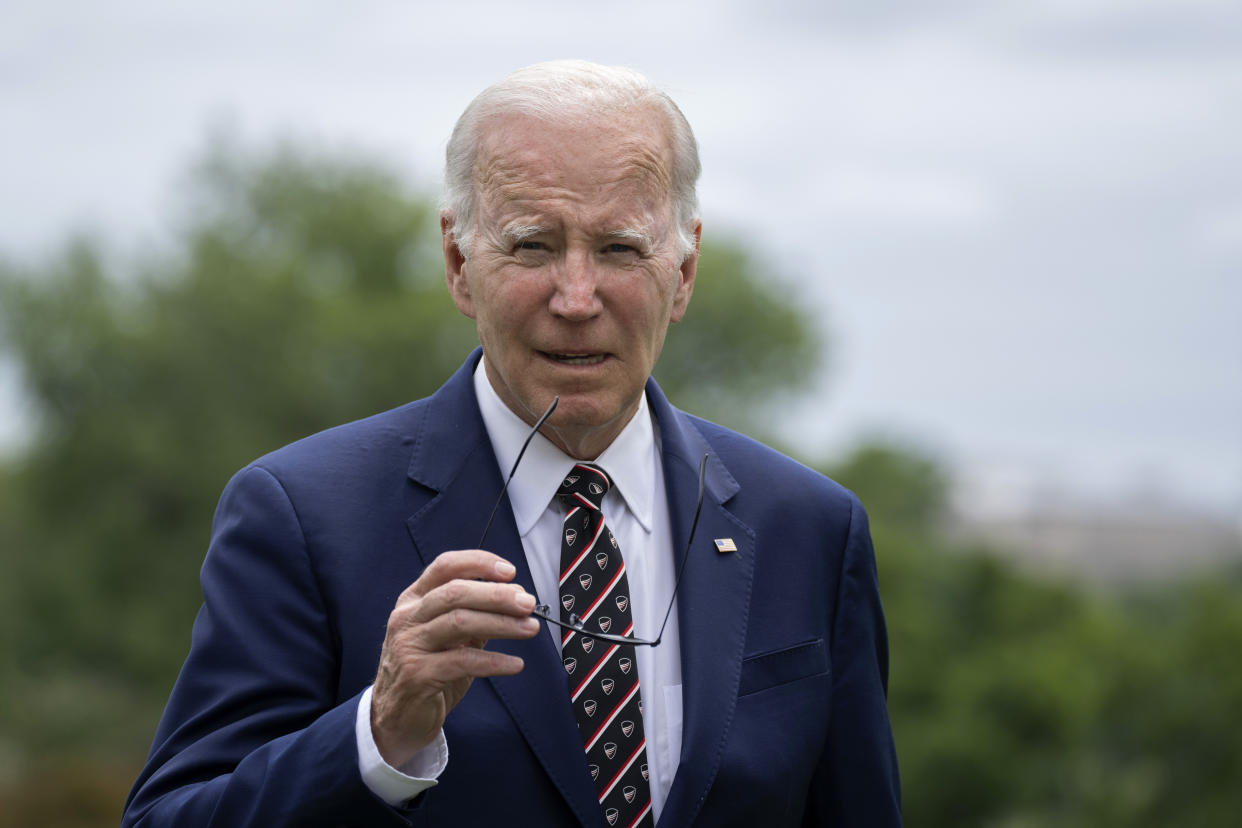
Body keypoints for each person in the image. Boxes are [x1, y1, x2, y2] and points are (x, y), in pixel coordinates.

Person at [122, 60, 901, 827]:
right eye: (532, 246)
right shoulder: (302, 516)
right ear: (460, 265)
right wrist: (379, 735)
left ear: (685, 269)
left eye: (620, 249)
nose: (575, 297)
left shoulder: (810, 529)